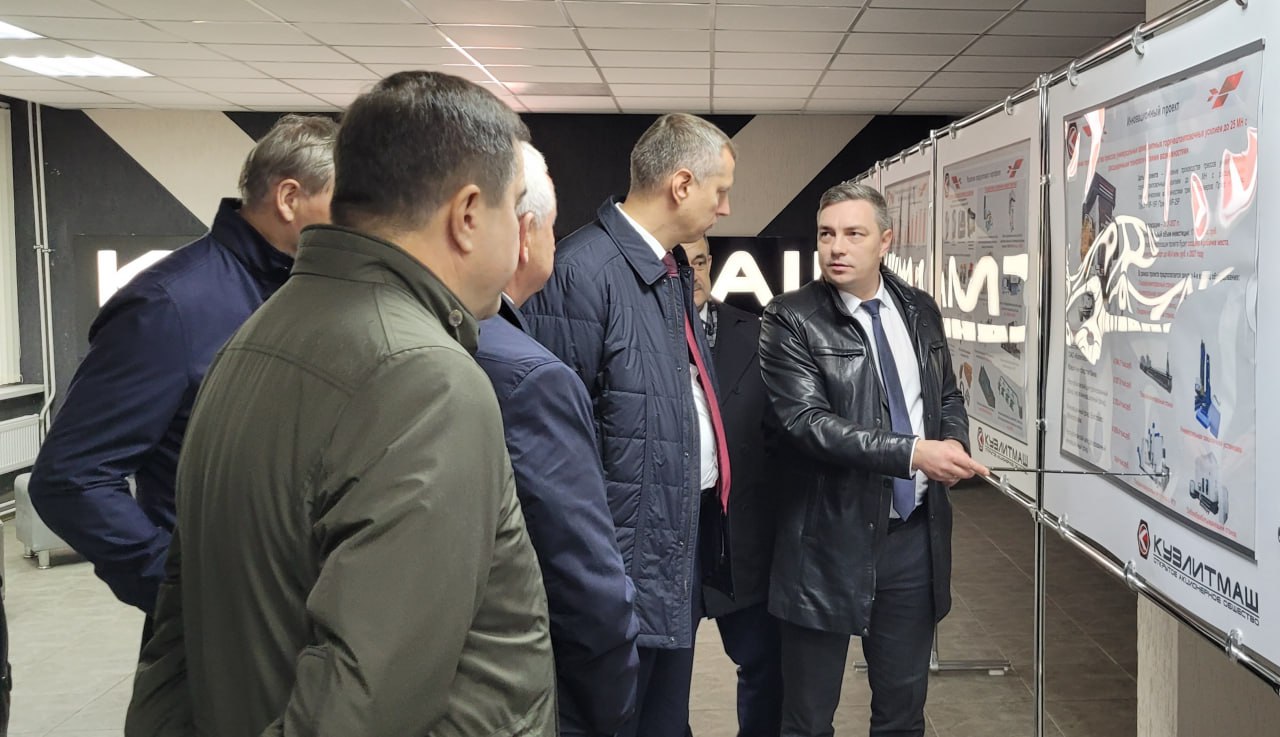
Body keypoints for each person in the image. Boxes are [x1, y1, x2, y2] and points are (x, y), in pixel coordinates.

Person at [125, 71, 556, 737]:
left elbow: (174, 639)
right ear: (469, 214)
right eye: (512, 208)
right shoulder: (425, 379)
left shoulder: (254, 337)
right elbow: (366, 701)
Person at [27, 114, 337, 616]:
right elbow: (72, 478)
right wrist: (180, 590)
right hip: (219, 620)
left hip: (298, 612)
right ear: (289, 198)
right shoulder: (167, 306)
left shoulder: (306, 293)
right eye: (346, 204)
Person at [523, 112, 736, 737]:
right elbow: (552, 453)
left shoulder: (669, 269)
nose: (725, 208)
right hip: (615, 573)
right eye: (720, 191)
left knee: (664, 722)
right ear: (682, 184)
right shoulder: (582, 272)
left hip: (669, 550)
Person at [758, 182, 988, 737]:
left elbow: (945, 396)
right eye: (826, 234)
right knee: (807, 721)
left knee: (902, 717)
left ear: (885, 241)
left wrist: (953, 442)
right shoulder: (790, 318)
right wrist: (914, 453)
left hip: (911, 539)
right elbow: (808, 424)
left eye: (853, 234)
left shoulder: (920, 309)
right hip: (825, 540)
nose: (836, 247)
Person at [475, 141, 640, 737]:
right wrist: (614, 703)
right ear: (525, 234)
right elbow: (582, 579)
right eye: (552, 226)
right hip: (525, 685)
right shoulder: (530, 377)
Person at [683, 236, 783, 737]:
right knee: (662, 681)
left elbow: (780, 434)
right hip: (671, 534)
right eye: (682, 264)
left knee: (765, 664)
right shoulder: (631, 336)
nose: (694, 274)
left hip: (744, 529)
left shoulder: (757, 333)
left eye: (701, 261)